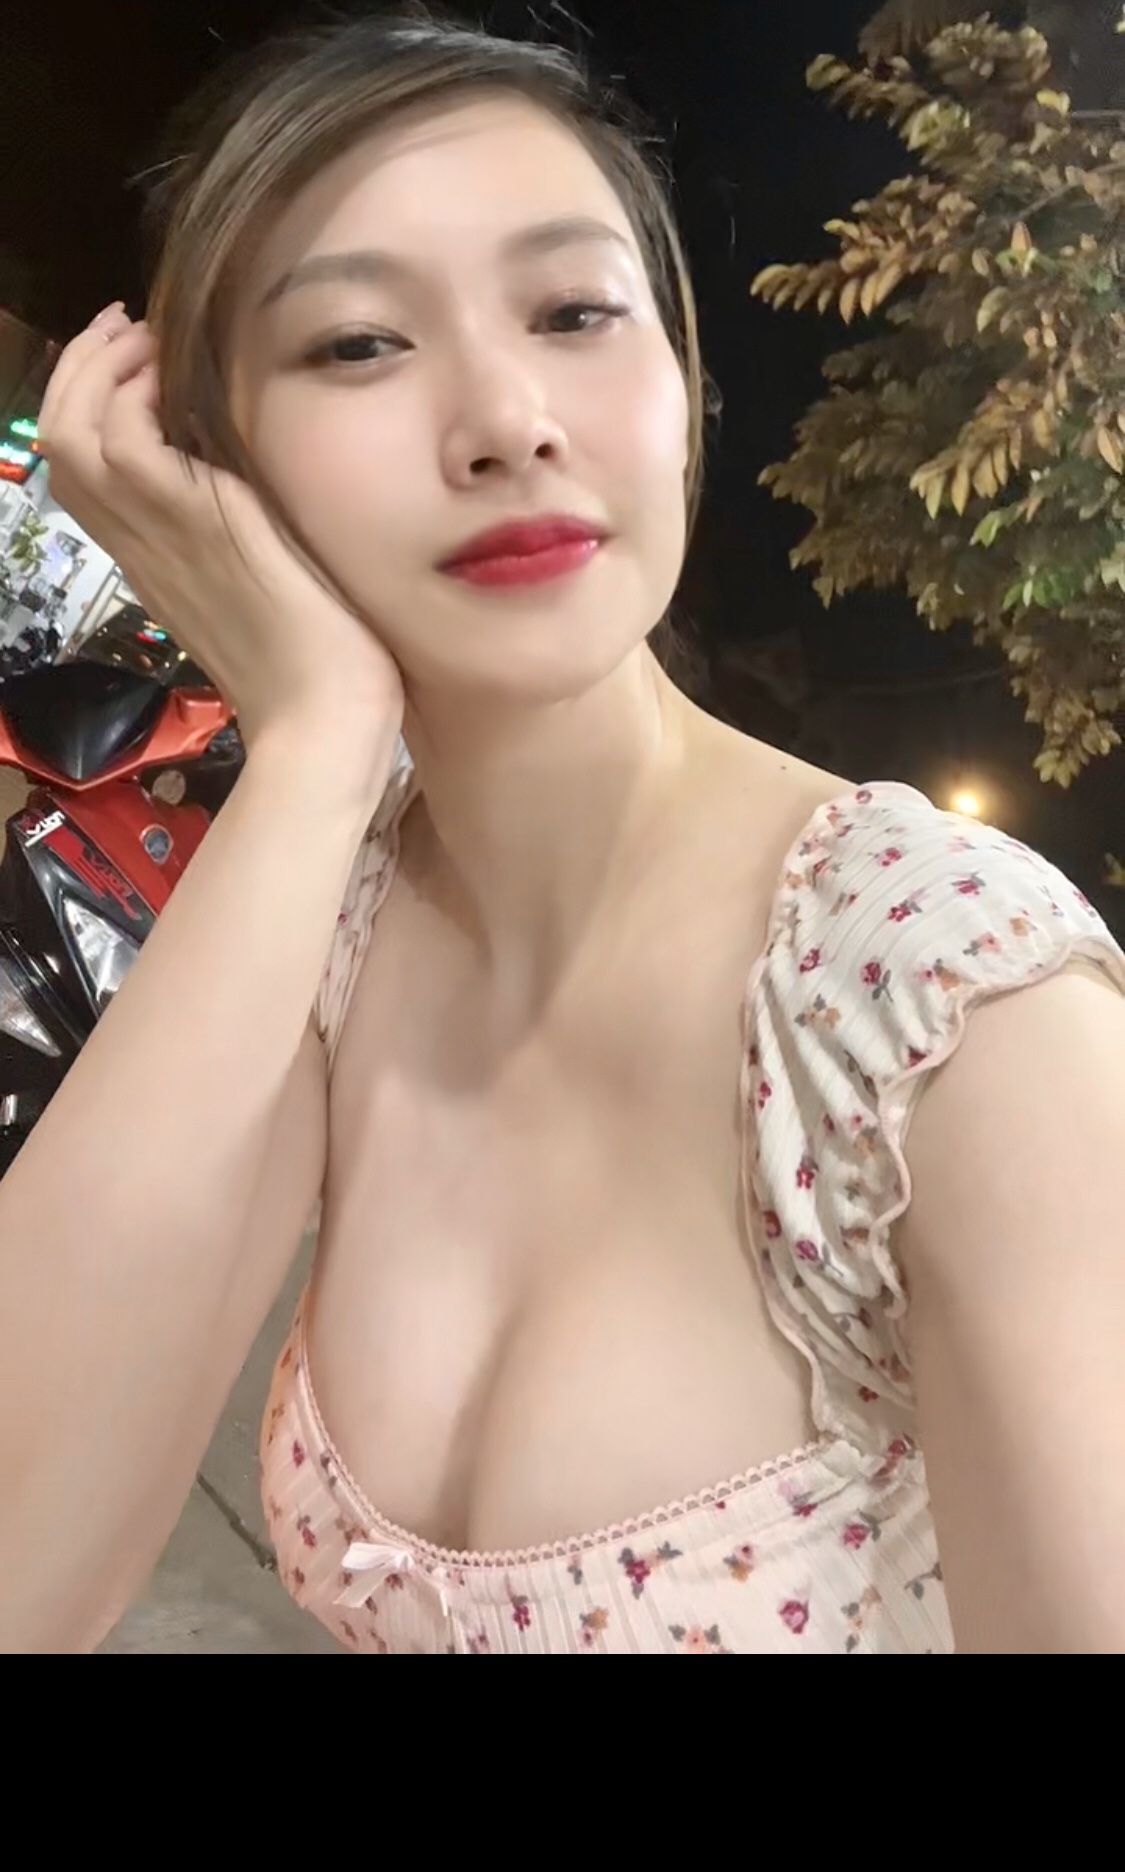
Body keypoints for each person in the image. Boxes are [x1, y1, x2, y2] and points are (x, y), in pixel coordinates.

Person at [2, 8, 1124, 1657]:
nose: (507, 418)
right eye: (357, 346)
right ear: (209, 465)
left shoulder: (937, 1003)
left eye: (575, 311)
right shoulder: (337, 917)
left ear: (680, 377)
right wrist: (313, 743)